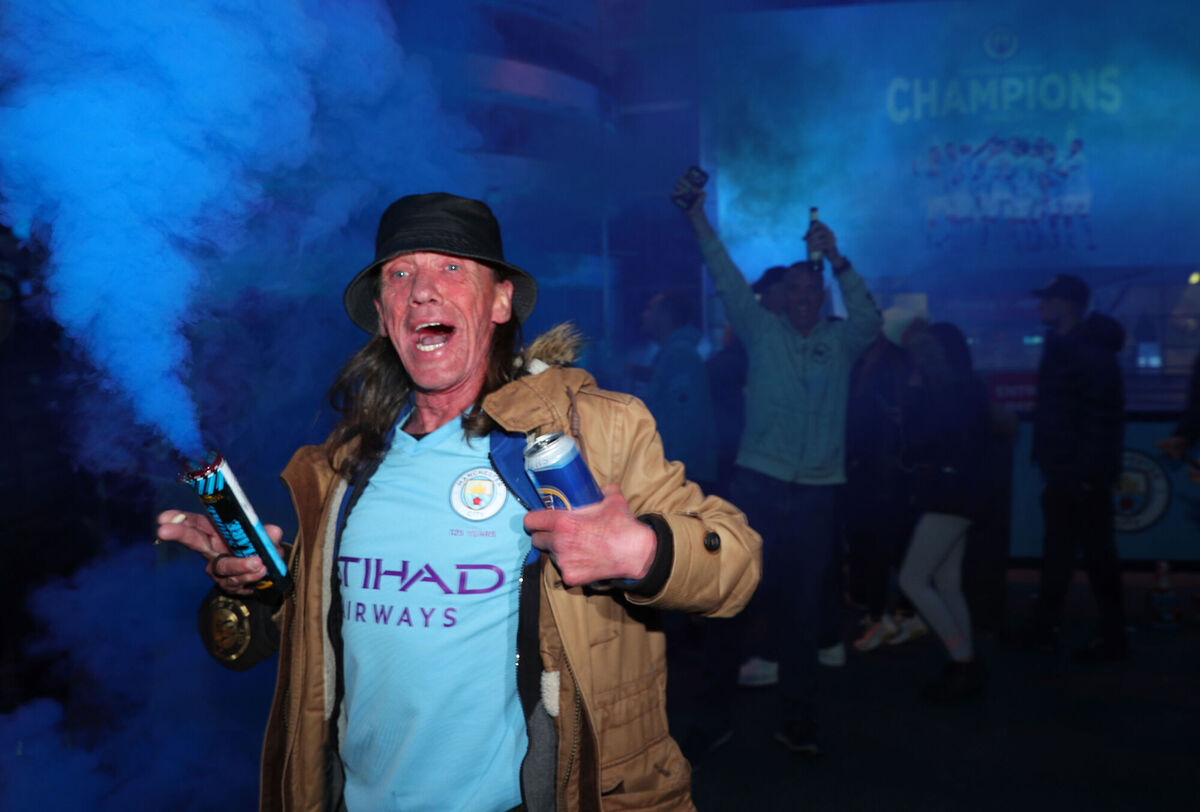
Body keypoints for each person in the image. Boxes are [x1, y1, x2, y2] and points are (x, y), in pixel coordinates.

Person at [157, 193, 761, 811]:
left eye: (451, 268)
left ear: (499, 301)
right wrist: (253, 586)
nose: (422, 291)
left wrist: (641, 549)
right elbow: (328, 641)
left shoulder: (590, 435)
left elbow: (735, 565)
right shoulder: (341, 468)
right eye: (400, 274)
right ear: (382, 312)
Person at [673, 171, 881, 757]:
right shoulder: (762, 333)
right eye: (791, 291)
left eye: (808, 291)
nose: (800, 298)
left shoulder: (841, 340)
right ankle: (713, 716)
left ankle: (798, 717)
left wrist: (836, 258)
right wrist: (695, 215)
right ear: (779, 298)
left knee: (799, 612)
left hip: (816, 495)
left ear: (821, 297)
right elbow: (723, 271)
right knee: (732, 601)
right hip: (757, 488)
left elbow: (871, 318)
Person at [1024, 273, 1128, 661]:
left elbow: (1101, 419)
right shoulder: (1077, 347)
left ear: (1066, 305)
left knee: (1080, 555)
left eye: (1047, 300)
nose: (1041, 306)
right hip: (1074, 472)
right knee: (1075, 554)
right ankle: (1065, 630)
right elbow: (1099, 417)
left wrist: (1084, 474)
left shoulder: (1078, 350)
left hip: (1076, 473)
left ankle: (1095, 635)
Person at [896, 321, 991, 702]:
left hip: (948, 494)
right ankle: (964, 662)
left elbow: (923, 443)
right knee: (947, 582)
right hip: (964, 493)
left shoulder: (941, 393)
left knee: (913, 579)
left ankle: (961, 657)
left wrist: (913, 400)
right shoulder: (968, 388)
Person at [634, 291, 719, 490]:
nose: (643, 315)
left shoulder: (680, 354)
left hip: (684, 475)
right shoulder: (673, 353)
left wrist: (672, 470)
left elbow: (684, 419)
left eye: (650, 310)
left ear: (664, 316)